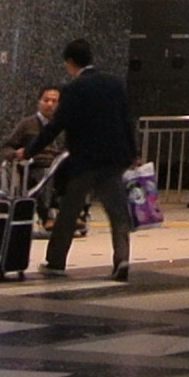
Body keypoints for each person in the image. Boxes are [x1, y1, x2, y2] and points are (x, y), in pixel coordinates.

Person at [39, 39, 142, 281]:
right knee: (117, 211)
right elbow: (127, 119)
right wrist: (132, 152)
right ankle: (122, 259)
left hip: (85, 160)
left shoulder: (74, 88)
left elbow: (56, 125)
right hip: (113, 159)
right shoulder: (114, 83)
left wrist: (31, 150)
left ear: (71, 62)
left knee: (69, 211)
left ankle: (56, 261)